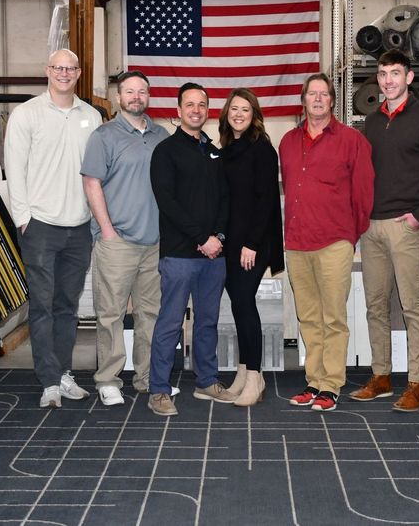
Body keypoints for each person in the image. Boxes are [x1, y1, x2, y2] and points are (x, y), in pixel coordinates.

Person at [349, 49, 419, 412]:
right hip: (372, 227)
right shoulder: (372, 122)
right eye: (382, 74)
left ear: (409, 77)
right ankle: (381, 377)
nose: (388, 80)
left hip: (406, 227)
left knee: (413, 307)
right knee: (375, 305)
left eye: (395, 73)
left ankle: (417, 383)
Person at [4, 49, 101, 408]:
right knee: (42, 307)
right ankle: (48, 382)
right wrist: (23, 218)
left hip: (78, 228)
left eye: (71, 68)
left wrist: (92, 219)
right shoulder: (26, 114)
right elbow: (14, 168)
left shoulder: (91, 117)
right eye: (58, 67)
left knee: (67, 307)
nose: (64, 73)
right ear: (47, 70)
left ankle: (62, 374)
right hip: (40, 226)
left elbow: (96, 173)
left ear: (79, 72)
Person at [279, 73, 375, 412]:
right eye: (312, 94)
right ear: (303, 100)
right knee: (308, 316)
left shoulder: (352, 141)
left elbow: (364, 195)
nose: (318, 99)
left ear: (332, 101)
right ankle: (313, 381)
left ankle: (331, 385)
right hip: (297, 242)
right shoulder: (288, 141)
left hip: (334, 241)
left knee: (333, 317)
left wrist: (350, 235)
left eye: (324, 94)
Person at [81, 71, 169, 406]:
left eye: (142, 91)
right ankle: (108, 379)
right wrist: (106, 230)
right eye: (129, 91)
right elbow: (92, 183)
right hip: (117, 242)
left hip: (155, 243)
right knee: (110, 314)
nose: (136, 96)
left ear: (149, 96)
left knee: (150, 315)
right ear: (119, 98)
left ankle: (146, 377)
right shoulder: (104, 136)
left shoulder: (162, 135)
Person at [147, 82, 233, 416]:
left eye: (202, 104)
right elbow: (167, 202)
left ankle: (207, 381)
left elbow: (225, 199)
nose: (196, 110)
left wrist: (220, 238)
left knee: (208, 321)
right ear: (179, 110)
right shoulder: (165, 151)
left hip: (214, 257)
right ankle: (158, 390)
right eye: (190, 104)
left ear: (206, 111)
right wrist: (202, 238)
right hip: (180, 255)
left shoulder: (214, 151)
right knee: (170, 323)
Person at [217, 88, 284, 407]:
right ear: (227, 114)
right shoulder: (227, 148)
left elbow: (266, 201)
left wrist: (252, 244)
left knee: (244, 303)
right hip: (231, 242)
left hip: (253, 244)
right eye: (234, 109)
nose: (239, 114)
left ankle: (255, 378)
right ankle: (243, 372)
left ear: (254, 114)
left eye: (245, 109)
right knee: (239, 306)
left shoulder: (262, 149)